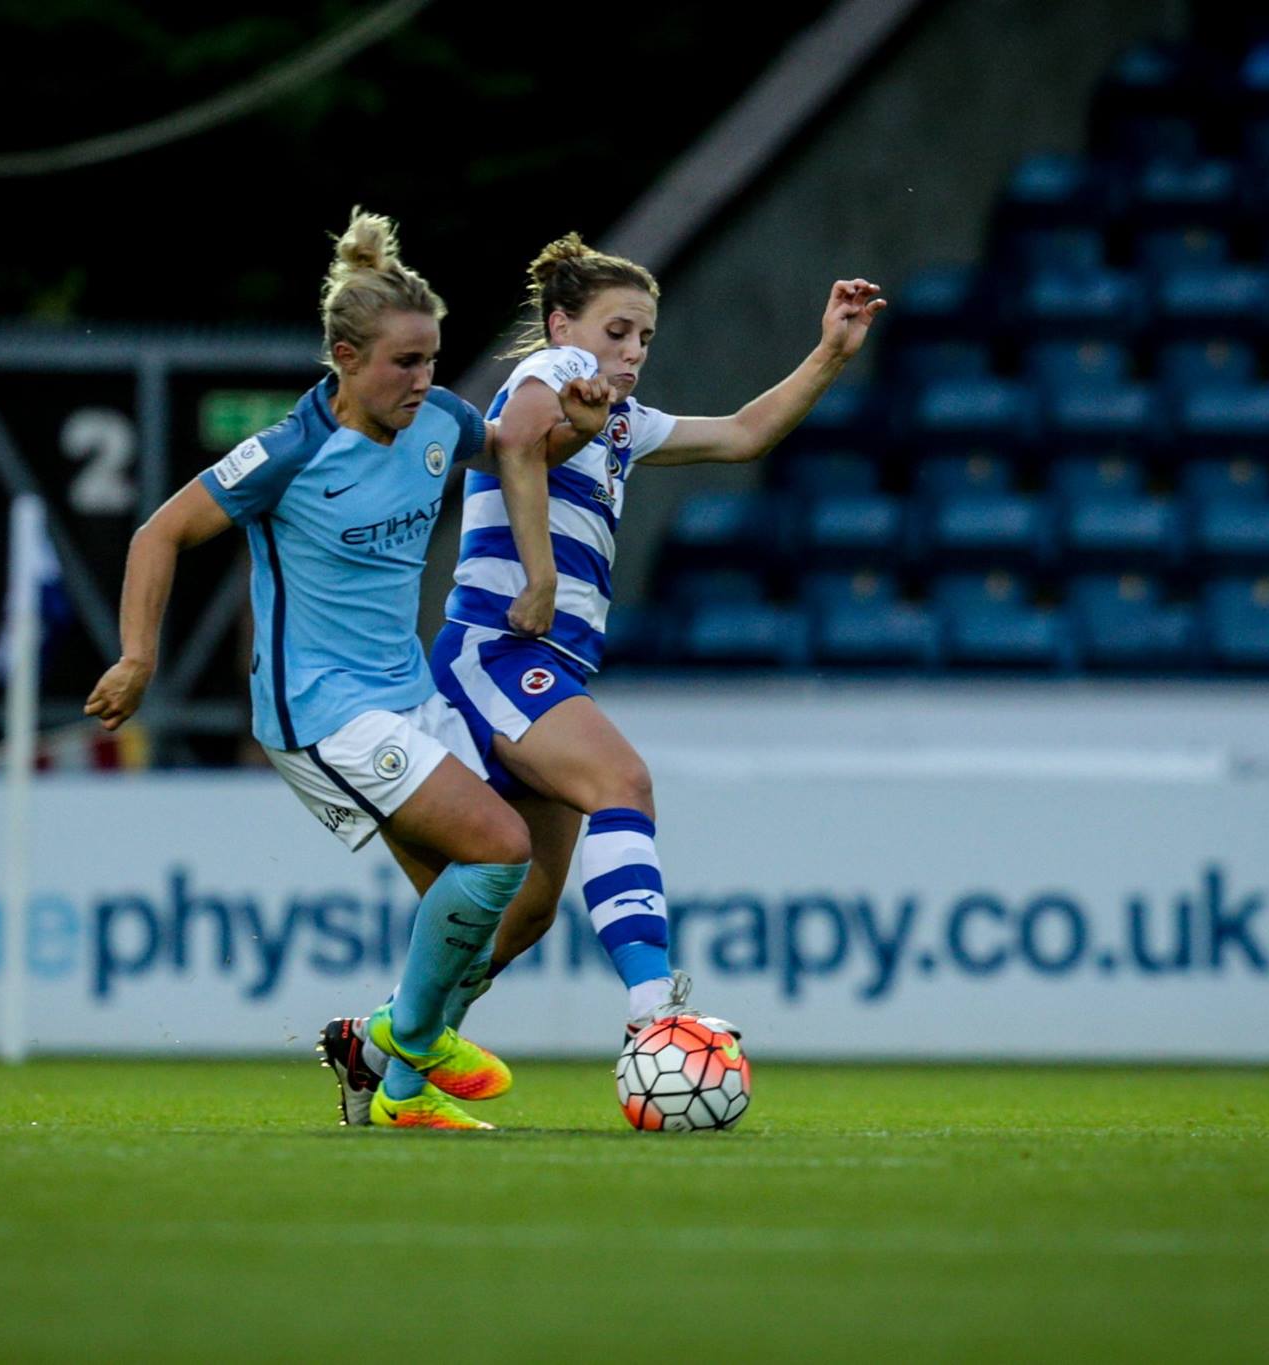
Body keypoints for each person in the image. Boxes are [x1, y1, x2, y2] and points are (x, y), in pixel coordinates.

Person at [321, 234, 884, 1114]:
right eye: (616, 330)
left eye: (645, 337)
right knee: (623, 781)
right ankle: (654, 1013)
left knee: (525, 913)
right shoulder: (551, 371)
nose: (631, 351)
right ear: (562, 326)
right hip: (497, 650)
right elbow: (517, 440)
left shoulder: (617, 419)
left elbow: (743, 434)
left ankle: (387, 1066)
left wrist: (830, 353)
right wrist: (542, 574)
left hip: (547, 664)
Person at [85, 209, 610, 1130]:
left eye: (433, 360)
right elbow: (158, 532)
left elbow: (515, 451)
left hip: (407, 695)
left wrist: (576, 430)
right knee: (499, 846)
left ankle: (392, 1082)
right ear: (344, 357)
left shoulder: (439, 420)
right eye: (405, 362)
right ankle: (405, 1038)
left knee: (509, 911)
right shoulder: (289, 451)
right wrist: (138, 656)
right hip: (321, 710)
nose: (425, 380)